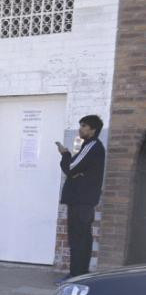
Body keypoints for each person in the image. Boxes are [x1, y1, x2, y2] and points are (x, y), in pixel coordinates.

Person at [55, 115, 106, 278]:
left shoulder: (92, 146)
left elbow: (70, 168)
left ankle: (76, 275)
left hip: (81, 202)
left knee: (79, 239)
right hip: (81, 201)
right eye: (80, 125)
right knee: (81, 238)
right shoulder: (88, 146)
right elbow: (75, 170)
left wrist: (65, 154)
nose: (80, 128)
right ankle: (79, 273)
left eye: (84, 126)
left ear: (93, 129)